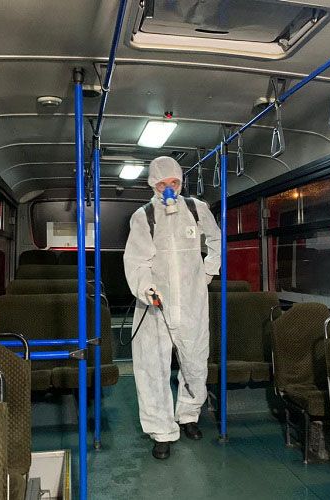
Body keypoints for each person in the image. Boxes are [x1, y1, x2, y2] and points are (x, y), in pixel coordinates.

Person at [123, 156, 221, 460]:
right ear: (153, 185)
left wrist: (208, 271)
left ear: (181, 182)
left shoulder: (197, 209)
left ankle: (189, 415)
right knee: (152, 369)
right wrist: (147, 289)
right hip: (156, 306)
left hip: (192, 303)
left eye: (174, 182)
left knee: (195, 363)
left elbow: (216, 240)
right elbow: (136, 260)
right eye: (162, 184)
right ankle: (161, 431)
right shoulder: (144, 216)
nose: (169, 189)